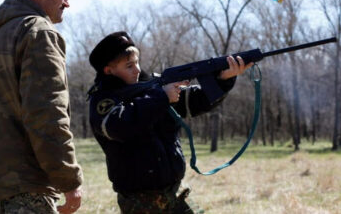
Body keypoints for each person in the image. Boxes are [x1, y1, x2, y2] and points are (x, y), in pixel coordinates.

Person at [88, 31, 253, 213]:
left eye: (136, 62)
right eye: (129, 66)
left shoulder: (152, 88)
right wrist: (162, 97)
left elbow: (194, 101)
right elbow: (120, 126)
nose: (136, 69)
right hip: (141, 201)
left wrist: (223, 80)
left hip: (175, 192)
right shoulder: (104, 101)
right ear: (108, 71)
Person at [0, 0, 83, 213]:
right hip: (27, 186)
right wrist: (69, 179)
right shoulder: (39, 32)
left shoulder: (1, 34)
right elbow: (47, 114)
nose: (67, 2)